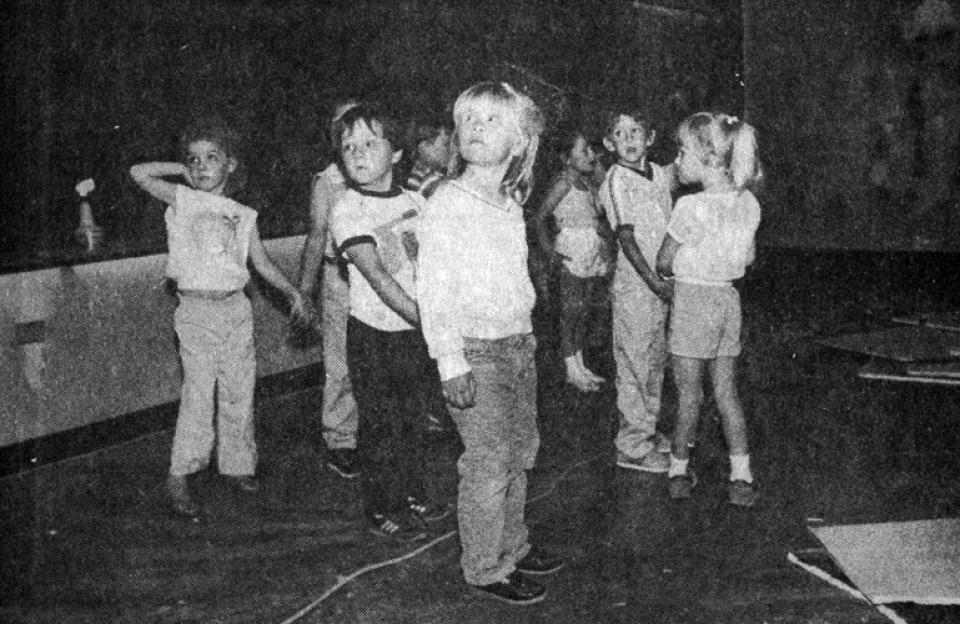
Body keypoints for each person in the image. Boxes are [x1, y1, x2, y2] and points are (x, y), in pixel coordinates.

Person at [417, 81, 562, 606]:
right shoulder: (447, 204)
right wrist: (450, 362)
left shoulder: (509, 204)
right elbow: (432, 292)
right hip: (474, 351)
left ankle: (513, 545)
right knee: (488, 460)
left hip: (518, 345)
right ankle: (483, 565)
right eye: (469, 119)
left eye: (491, 120)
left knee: (520, 452)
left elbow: (514, 278)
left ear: (521, 141)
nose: (476, 128)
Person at [129, 116, 312, 517]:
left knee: (239, 389)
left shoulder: (244, 213)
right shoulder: (182, 198)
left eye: (212, 157)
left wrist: (293, 291)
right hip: (195, 311)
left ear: (231, 164)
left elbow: (260, 262)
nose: (200, 165)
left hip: (236, 309)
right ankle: (181, 472)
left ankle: (238, 465)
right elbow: (138, 172)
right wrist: (184, 171)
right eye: (193, 158)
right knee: (198, 394)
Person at [328, 102, 449, 542]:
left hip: (415, 333)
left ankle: (414, 491)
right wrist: (429, 321)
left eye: (369, 143)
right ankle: (382, 505)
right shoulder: (347, 207)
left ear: (396, 152)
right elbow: (377, 276)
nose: (357, 154)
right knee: (381, 425)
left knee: (414, 419)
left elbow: (438, 265)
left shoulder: (416, 202)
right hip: (374, 335)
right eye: (348, 147)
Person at [655, 112, 763, 507]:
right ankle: (741, 474)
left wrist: (681, 264)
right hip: (727, 302)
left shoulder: (690, 207)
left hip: (693, 302)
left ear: (709, 157)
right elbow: (747, 259)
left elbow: (664, 262)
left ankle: (679, 469)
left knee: (688, 397)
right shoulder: (749, 202)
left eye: (682, 151)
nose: (678, 159)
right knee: (725, 392)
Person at [598, 109, 676, 473]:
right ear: (609, 143)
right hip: (636, 286)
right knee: (633, 360)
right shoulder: (615, 180)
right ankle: (630, 444)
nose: (628, 139)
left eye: (636, 131)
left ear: (651, 137)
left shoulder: (659, 174)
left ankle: (646, 428)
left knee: (655, 359)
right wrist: (653, 280)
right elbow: (626, 238)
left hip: (662, 286)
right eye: (619, 133)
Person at [298, 100, 362, 480]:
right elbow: (316, 233)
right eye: (342, 122)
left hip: (377, 281)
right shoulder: (328, 181)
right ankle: (341, 440)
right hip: (340, 279)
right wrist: (304, 291)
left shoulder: (380, 174)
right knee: (340, 362)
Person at [533, 125, 610, 392]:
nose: (591, 154)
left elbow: (598, 213)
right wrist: (550, 253)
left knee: (582, 311)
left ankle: (579, 362)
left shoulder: (587, 183)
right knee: (570, 312)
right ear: (567, 158)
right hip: (571, 254)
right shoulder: (563, 183)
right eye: (584, 150)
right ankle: (570, 368)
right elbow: (540, 218)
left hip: (589, 254)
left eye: (591, 149)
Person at [403, 114, 452, 200]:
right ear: (424, 146)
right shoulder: (430, 179)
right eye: (445, 145)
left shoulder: (424, 174)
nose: (450, 151)